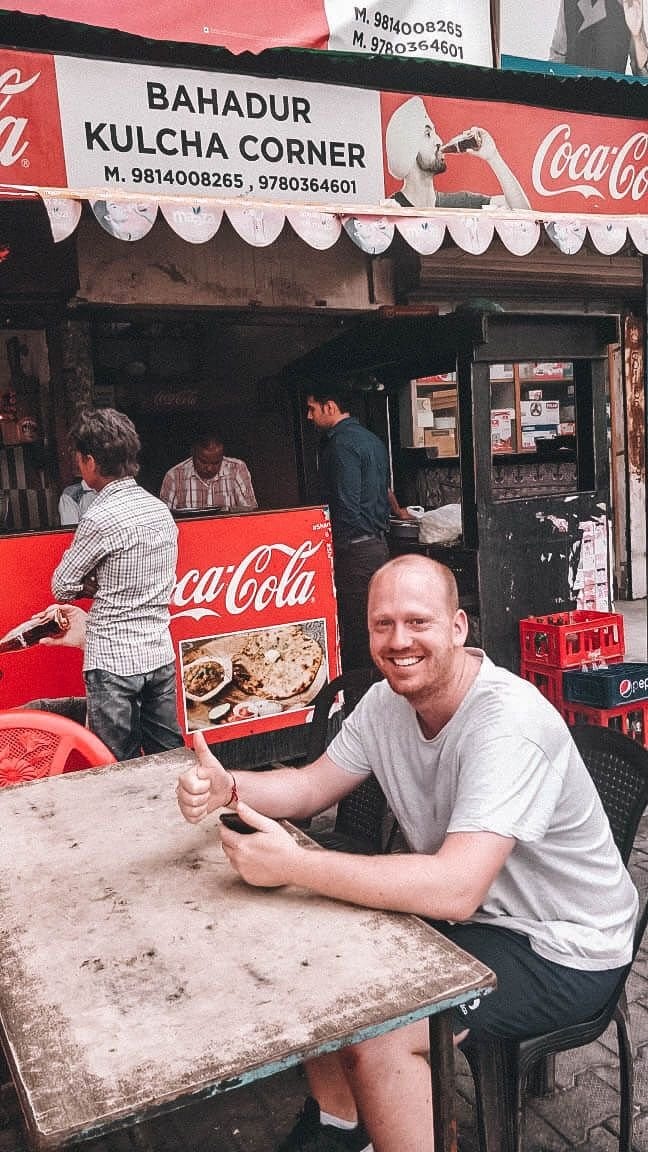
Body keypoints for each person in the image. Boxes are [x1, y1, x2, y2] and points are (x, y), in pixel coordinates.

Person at [176, 555, 638, 1152]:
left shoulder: (507, 723)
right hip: (480, 919)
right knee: (310, 946)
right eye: (382, 625)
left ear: (458, 627)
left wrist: (295, 866)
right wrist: (230, 786)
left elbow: (454, 887)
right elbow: (311, 786)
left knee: (383, 1030)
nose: (399, 642)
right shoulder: (384, 706)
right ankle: (339, 1124)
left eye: (418, 622)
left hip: (566, 945)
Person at [51, 407, 184, 762]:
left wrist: (95, 585)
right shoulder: (159, 510)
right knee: (168, 756)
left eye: (80, 458)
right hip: (158, 653)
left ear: (91, 461)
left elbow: (62, 585)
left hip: (112, 661)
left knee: (115, 765)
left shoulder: (98, 517)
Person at [306, 382, 390, 670]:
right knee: (376, 623)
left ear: (330, 406)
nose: (309, 416)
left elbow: (346, 503)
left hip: (355, 550)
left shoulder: (340, 445)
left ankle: (363, 697)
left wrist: (333, 551)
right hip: (377, 545)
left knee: (356, 630)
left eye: (312, 408)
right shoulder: (373, 440)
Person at [385, 95, 531, 211]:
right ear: (406, 148)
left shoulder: (460, 204)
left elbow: (522, 212)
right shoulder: (390, 212)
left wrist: (493, 156)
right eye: (428, 134)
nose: (439, 141)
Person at [159, 430, 257, 513]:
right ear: (193, 453)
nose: (209, 468)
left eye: (216, 463)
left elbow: (250, 513)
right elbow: (166, 521)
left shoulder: (237, 469)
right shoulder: (174, 476)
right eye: (203, 462)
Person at [549, 0, 648, 75]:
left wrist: (637, 36)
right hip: (571, 95)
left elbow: (642, 74)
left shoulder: (628, 3)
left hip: (611, 97)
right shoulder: (569, 2)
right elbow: (557, 56)